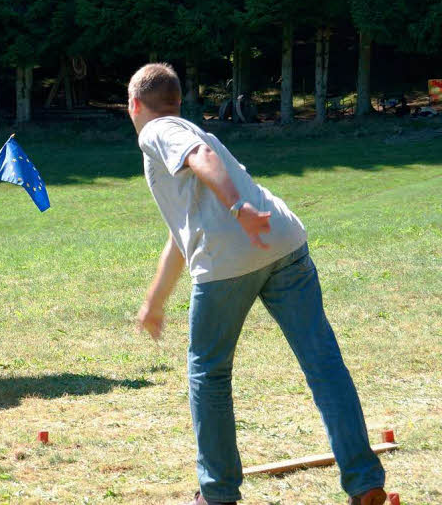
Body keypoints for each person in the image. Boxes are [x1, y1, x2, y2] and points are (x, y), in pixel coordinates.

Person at [127, 63, 387, 505]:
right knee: (323, 364)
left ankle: (218, 493)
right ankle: (365, 482)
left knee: (208, 374)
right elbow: (180, 236)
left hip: (232, 256)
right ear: (177, 98)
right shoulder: (189, 129)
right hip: (284, 242)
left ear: (133, 105)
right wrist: (155, 300)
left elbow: (200, 158)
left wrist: (237, 210)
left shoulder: (158, 131)